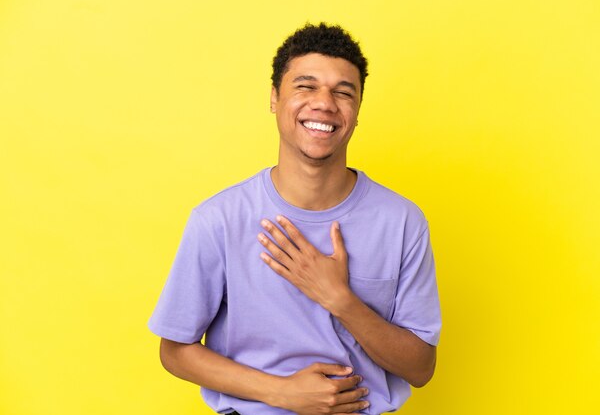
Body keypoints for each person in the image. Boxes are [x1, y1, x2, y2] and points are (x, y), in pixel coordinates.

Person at [148, 23, 441, 415]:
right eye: (306, 86)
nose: (324, 103)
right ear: (274, 98)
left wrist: (341, 300)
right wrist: (280, 392)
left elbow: (420, 368)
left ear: (356, 111)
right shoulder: (217, 220)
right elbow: (175, 351)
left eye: (343, 91)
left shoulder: (403, 221)